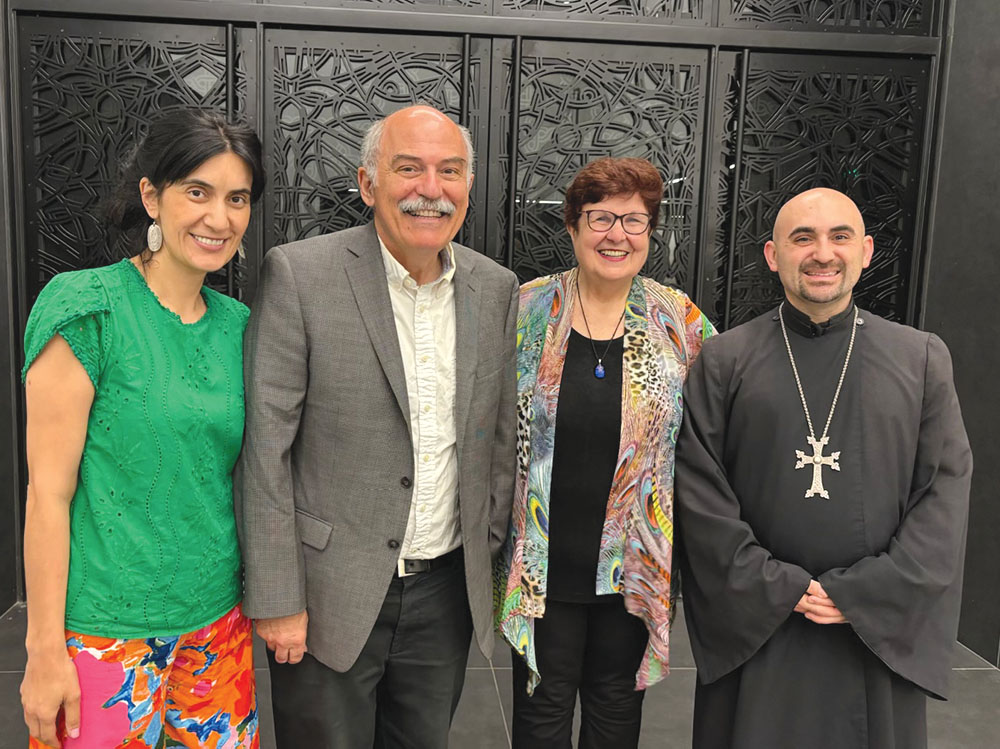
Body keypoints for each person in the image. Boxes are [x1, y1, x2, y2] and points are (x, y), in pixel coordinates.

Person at [236, 104, 518, 747]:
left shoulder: (496, 288)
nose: (431, 189)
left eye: (450, 171)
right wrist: (278, 596)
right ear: (369, 184)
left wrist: (488, 548)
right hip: (327, 593)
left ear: (468, 187)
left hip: (444, 591)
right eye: (409, 168)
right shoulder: (300, 274)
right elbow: (266, 451)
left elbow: (496, 437)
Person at [674, 187, 972, 748]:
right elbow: (698, 490)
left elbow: (944, 492)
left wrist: (867, 592)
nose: (822, 253)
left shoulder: (921, 358)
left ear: (865, 251)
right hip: (760, 622)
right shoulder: (725, 359)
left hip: (873, 629)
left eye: (839, 237)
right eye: (802, 238)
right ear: (772, 255)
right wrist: (773, 585)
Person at [19, 110, 266, 748]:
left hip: (216, 628)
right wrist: (44, 652)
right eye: (197, 191)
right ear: (151, 196)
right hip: (104, 635)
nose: (219, 218)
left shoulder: (241, 326)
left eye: (236, 198)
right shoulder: (87, 308)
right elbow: (49, 493)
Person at [493, 157, 715, 748]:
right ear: (572, 225)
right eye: (600, 217)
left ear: (650, 232)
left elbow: (722, 425)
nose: (617, 234)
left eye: (634, 221)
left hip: (633, 567)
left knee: (616, 718)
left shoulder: (680, 321)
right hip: (544, 565)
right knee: (540, 722)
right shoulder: (526, 309)